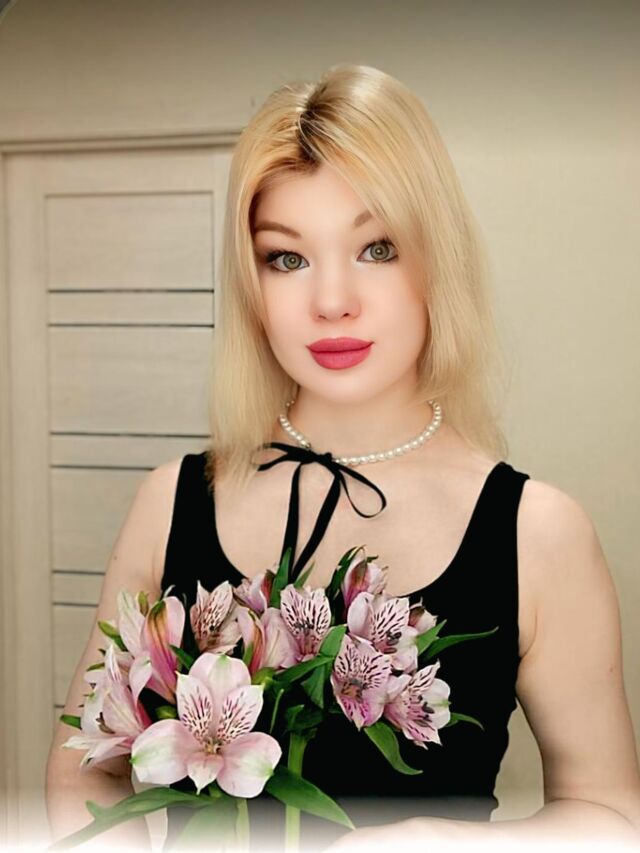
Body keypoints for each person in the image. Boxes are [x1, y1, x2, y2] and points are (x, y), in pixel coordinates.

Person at [46, 64, 640, 851]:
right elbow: (82, 775)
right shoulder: (169, 501)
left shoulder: (539, 532)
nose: (331, 301)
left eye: (377, 248)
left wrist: (431, 840)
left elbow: (610, 818)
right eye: (286, 257)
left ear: (436, 258)